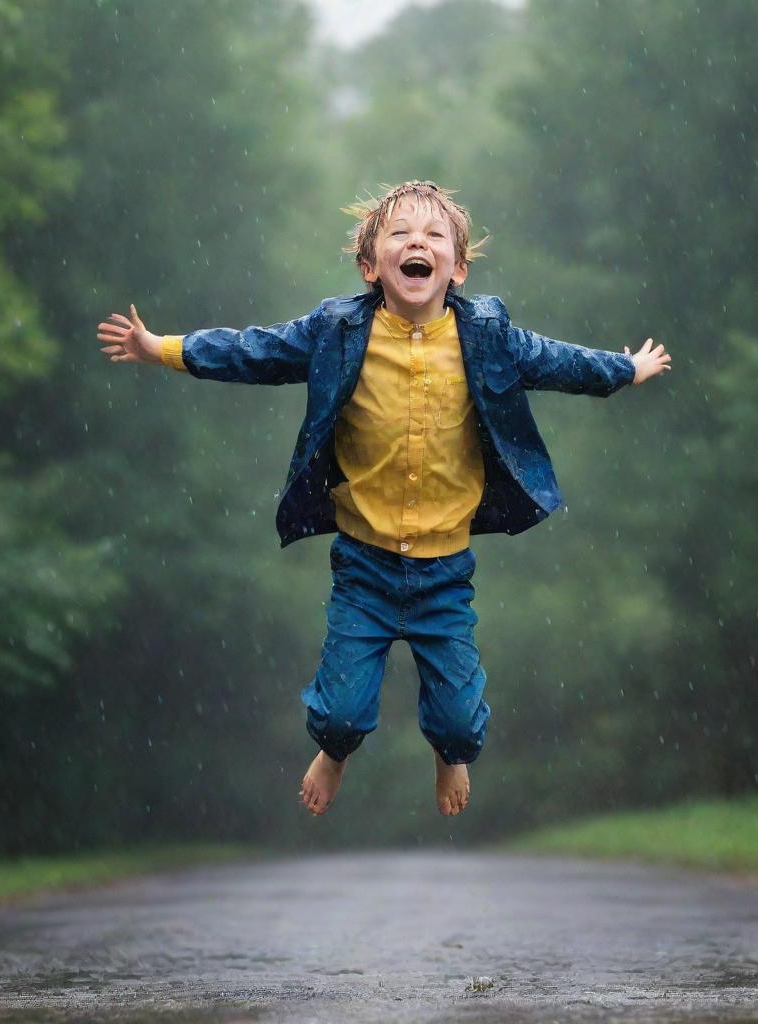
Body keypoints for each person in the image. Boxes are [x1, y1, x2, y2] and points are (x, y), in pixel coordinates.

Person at [96, 180, 671, 819]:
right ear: (372, 266)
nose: (417, 243)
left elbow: (558, 361)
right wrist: (162, 349)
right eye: (399, 235)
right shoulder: (337, 331)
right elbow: (251, 350)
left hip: (445, 573)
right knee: (341, 714)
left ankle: (446, 751)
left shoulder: (487, 335)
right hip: (363, 565)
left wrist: (624, 371)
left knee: (459, 728)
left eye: (434, 237)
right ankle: (335, 753)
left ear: (458, 268)